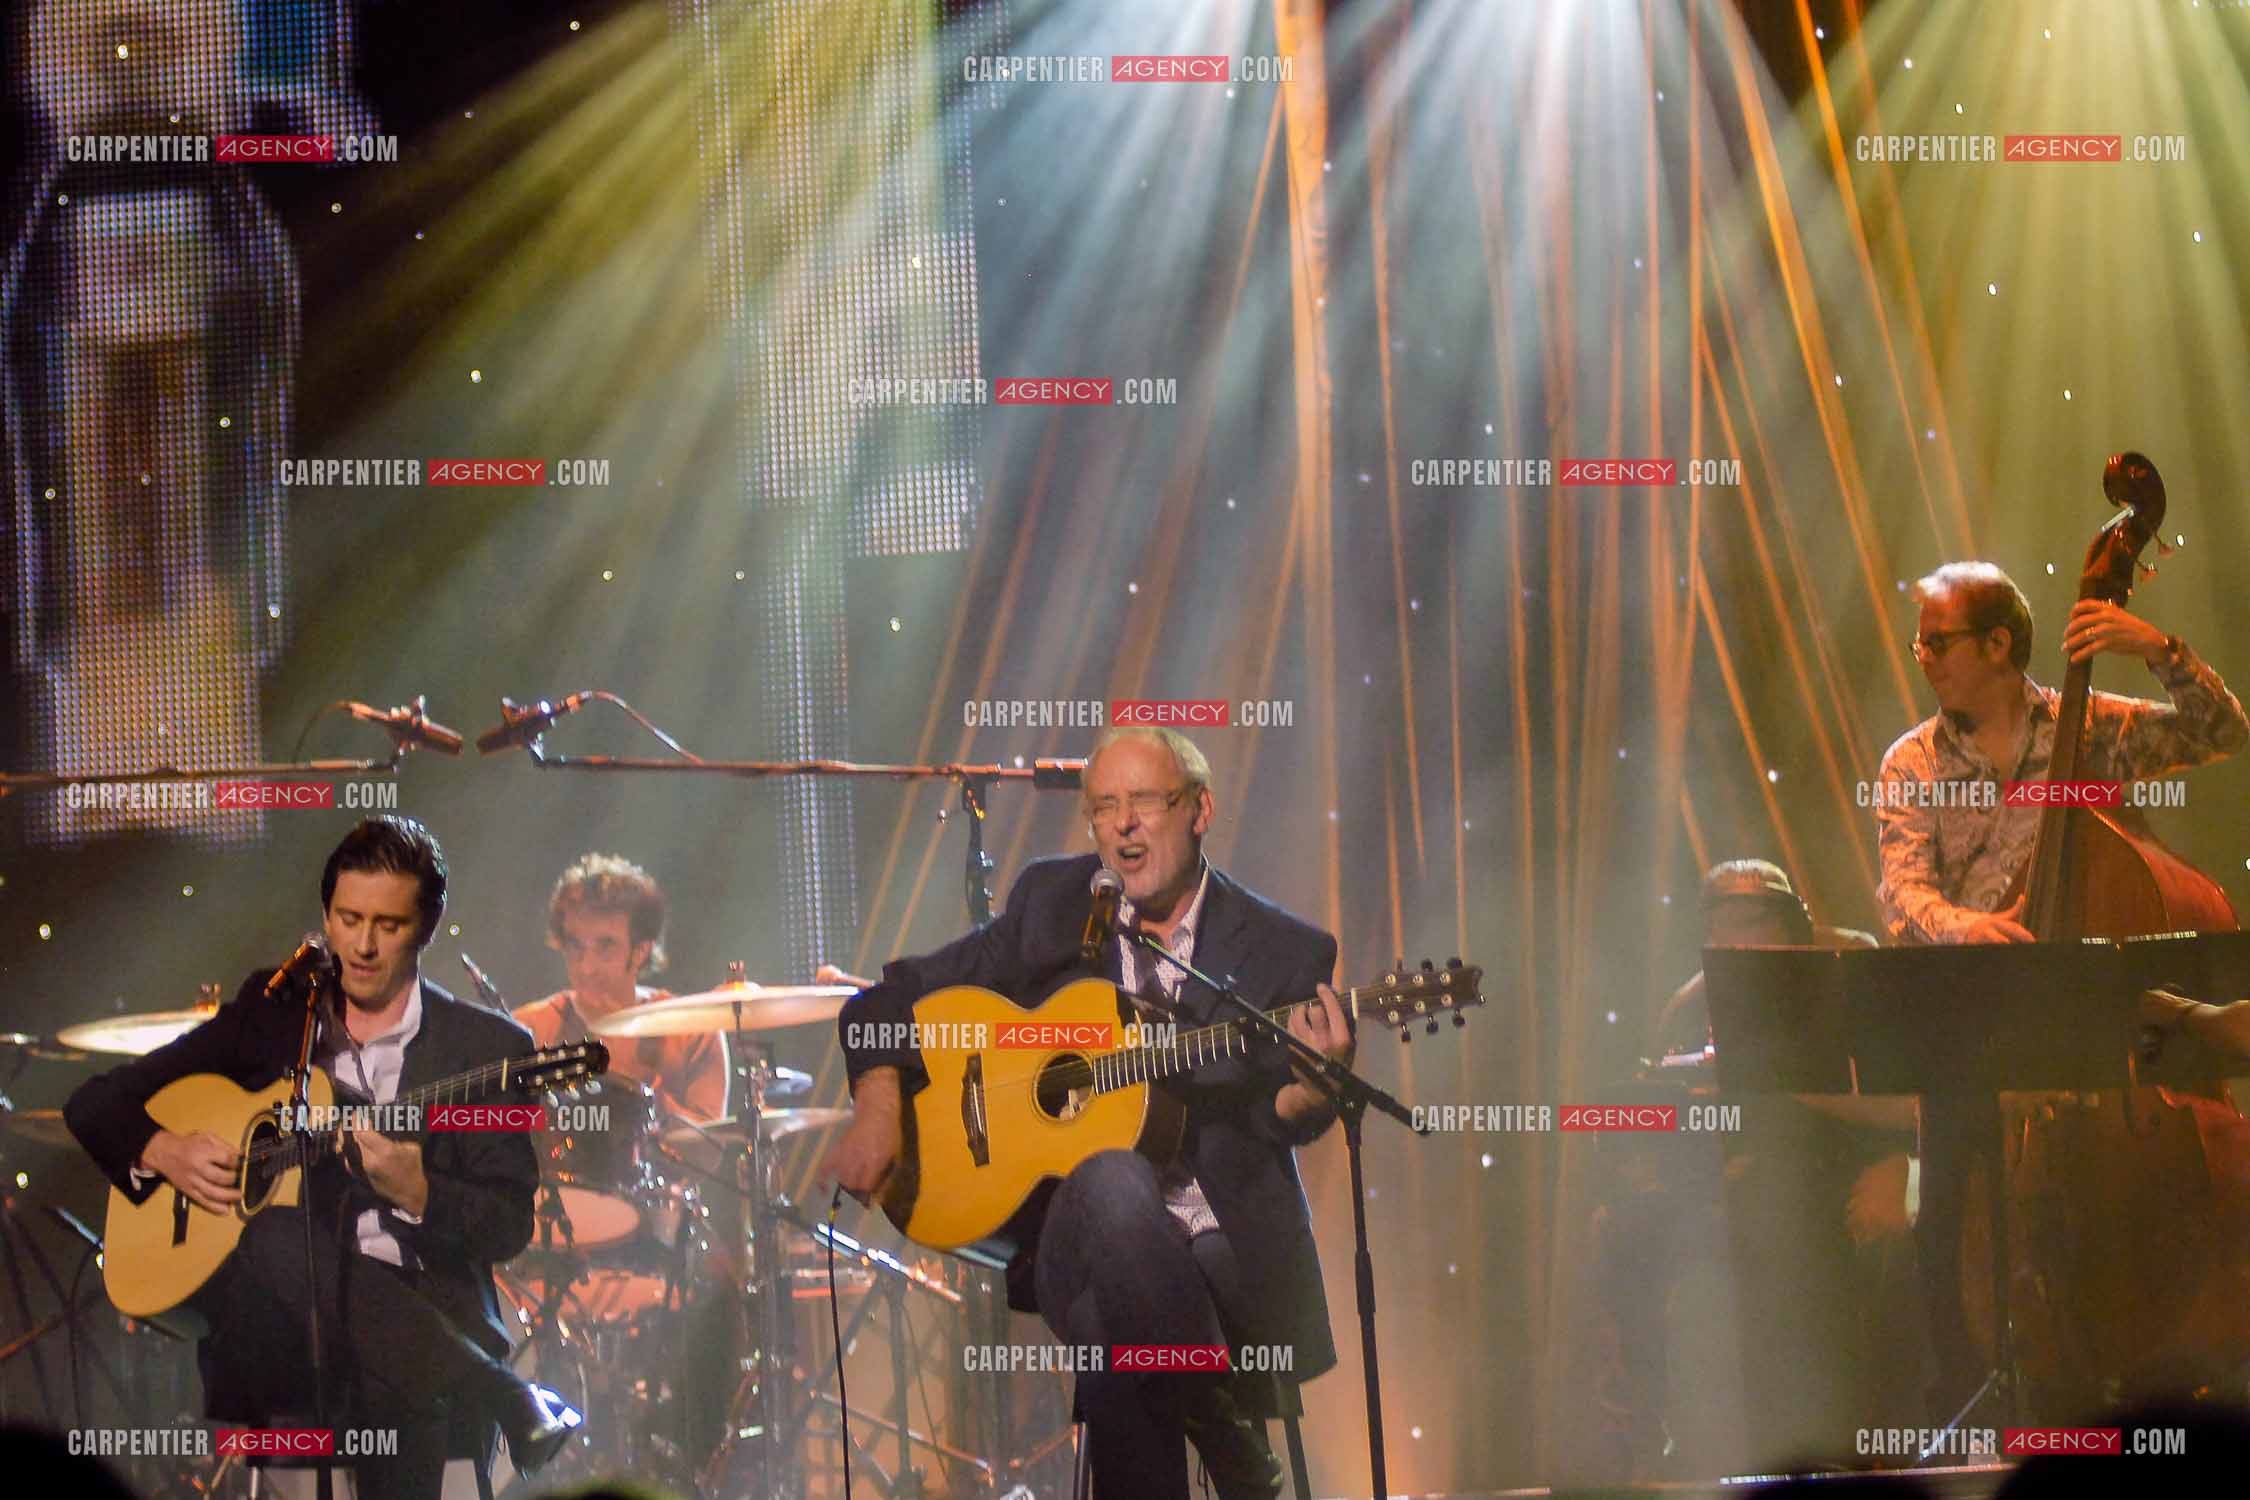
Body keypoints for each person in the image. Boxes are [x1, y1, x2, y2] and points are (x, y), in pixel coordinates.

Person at [821, 726, 1353, 1500]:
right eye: (1104, 807)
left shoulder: (1282, 950)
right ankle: (1221, 1431)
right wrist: (876, 1108)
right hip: (1071, 1233)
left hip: (1224, 1249)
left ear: (1200, 810)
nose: (1123, 825)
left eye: (1144, 801)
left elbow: (1286, 1116)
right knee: (1108, 1179)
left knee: (1111, 1338)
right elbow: (888, 1002)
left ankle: (1212, 1428)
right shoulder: (1059, 903)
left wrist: (1315, 1085)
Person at [64, 816, 579, 1500]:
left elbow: (508, 1224)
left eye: (388, 925)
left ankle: (473, 1384)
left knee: (392, 1370)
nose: (362, 946)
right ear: (325, 918)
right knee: (277, 1232)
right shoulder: (275, 1015)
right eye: (347, 918)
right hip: (278, 1325)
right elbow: (96, 1102)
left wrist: (422, 1193)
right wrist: (165, 1148)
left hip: (423, 1313)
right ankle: (504, 1395)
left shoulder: (488, 1052)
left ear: (426, 927)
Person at [1871, 561, 2247, 1420]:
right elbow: (1902, 892)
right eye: (1920, 639)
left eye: (1940, 639)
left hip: (2091, 1026)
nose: (1922, 654)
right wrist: (1972, 927)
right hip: (1972, 1022)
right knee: (1951, 1229)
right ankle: (1969, 1408)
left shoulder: (2090, 732)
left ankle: (2128, 1397)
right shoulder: (1912, 762)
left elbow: (2221, 731)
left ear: (1998, 644)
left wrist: (2159, 648)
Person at [513, 853, 727, 1123]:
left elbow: (711, 1153)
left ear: (640, 951)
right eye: (575, 946)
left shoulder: (694, 1032)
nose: (586, 967)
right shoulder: (526, 1028)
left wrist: (634, 1092)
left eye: (605, 947)